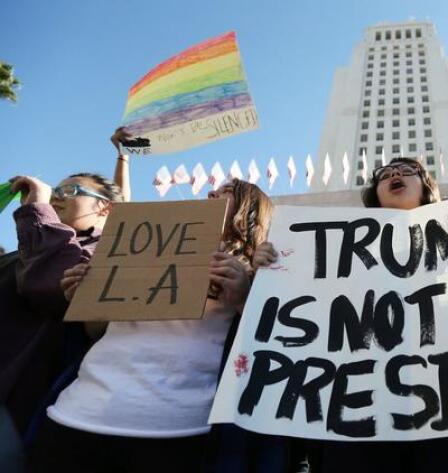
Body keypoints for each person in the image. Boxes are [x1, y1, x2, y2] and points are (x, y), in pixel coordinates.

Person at [243, 157, 448, 473]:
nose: (394, 173)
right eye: (384, 173)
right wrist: (273, 267)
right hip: (363, 411)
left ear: (426, 186)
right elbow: (308, 311)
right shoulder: (340, 251)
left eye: (408, 170)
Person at [31, 178, 273, 473]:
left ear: (251, 211)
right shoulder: (134, 247)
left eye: (227, 192)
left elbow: (267, 350)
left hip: (177, 431)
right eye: (215, 189)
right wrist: (87, 296)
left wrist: (244, 298)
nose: (211, 192)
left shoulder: (256, 269)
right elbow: (96, 333)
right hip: (76, 415)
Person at [1, 170, 124, 437]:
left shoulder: (107, 252)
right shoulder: (25, 247)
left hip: (21, 400)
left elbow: (49, 284)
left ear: (106, 207)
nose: (56, 197)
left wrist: (38, 210)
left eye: (70, 191)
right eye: (55, 191)